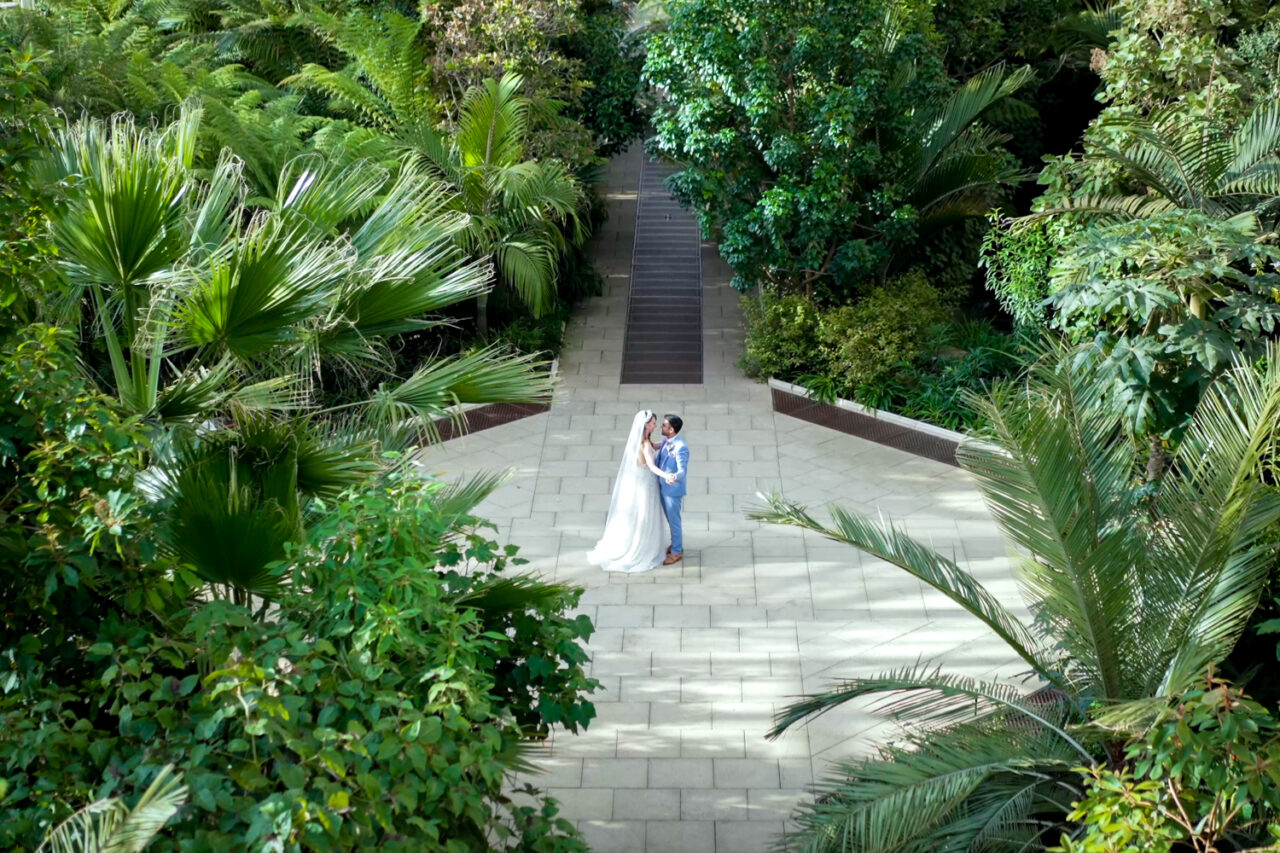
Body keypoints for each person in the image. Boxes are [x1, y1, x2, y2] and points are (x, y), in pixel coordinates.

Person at [587, 410, 669, 574]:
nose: (655, 425)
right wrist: (667, 475)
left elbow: (655, 446)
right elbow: (652, 466)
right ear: (646, 425)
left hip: (641, 480)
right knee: (645, 514)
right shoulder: (644, 445)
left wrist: (667, 442)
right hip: (647, 484)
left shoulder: (642, 441)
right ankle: (645, 546)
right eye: (653, 422)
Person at [655, 413, 689, 565]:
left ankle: (677, 551)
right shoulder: (666, 440)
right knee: (670, 519)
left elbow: (682, 471)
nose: (661, 427)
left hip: (672, 490)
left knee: (674, 521)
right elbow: (660, 447)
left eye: (664, 425)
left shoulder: (681, 448)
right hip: (663, 486)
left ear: (671, 429)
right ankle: (676, 543)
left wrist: (673, 477)